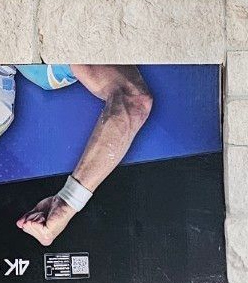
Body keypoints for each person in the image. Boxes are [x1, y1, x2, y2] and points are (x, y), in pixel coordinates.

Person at [12, 63, 153, 246]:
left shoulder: (46, 69)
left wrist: (69, 201)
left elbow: (133, 101)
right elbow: (132, 101)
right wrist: (68, 201)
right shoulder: (45, 71)